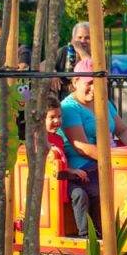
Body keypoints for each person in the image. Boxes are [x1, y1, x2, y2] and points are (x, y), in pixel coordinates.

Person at [60, 58, 127, 236]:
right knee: (109, 189)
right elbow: (82, 147)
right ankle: (98, 235)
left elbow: (123, 130)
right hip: (86, 166)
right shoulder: (69, 108)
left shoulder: (104, 102)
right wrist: (117, 159)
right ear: (75, 81)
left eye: (99, 83)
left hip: (110, 160)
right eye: (90, 83)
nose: (94, 88)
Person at [42, 91, 90, 236]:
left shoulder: (58, 139)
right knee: (79, 194)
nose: (57, 121)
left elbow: (61, 164)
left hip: (62, 181)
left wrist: (72, 170)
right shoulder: (39, 140)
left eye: (59, 116)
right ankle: (85, 234)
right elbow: (51, 167)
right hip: (50, 184)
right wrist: (71, 172)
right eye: (52, 117)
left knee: (90, 189)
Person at [53, 21, 91, 92]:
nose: (83, 41)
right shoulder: (64, 51)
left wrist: (80, 50)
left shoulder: (96, 54)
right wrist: (52, 72)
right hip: (63, 95)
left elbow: (91, 67)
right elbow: (42, 65)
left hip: (88, 95)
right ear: (73, 39)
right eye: (79, 37)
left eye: (87, 38)